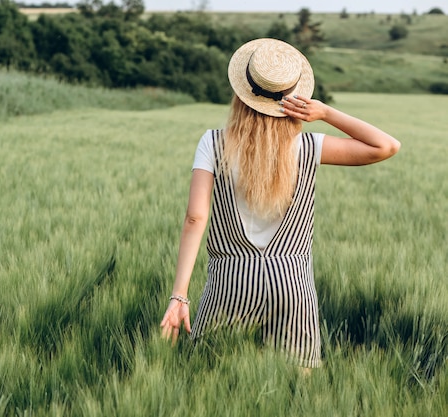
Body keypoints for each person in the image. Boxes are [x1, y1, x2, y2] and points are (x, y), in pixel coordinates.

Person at [160, 38, 400, 368]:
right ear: (294, 97)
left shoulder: (213, 143)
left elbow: (194, 219)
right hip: (291, 284)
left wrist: (179, 296)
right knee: (297, 389)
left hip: (230, 283)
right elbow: (386, 146)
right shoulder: (309, 146)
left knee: (208, 376)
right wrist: (326, 112)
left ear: (242, 92)